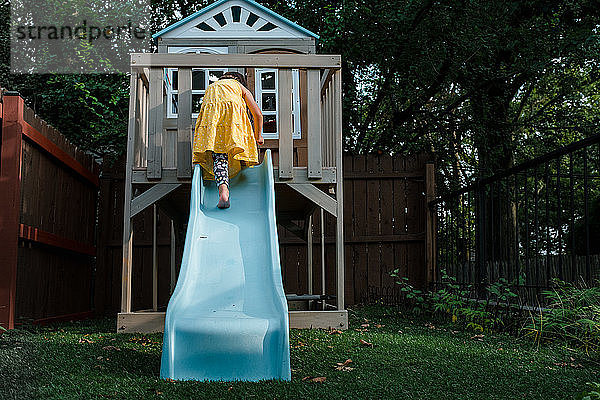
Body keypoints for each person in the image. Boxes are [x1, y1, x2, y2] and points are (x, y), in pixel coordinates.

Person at [192, 72, 264, 209]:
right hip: (233, 122)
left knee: (219, 157)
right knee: (237, 143)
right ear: (239, 80)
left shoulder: (211, 87)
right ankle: (242, 163)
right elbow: (257, 114)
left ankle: (223, 191)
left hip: (213, 125)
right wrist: (258, 136)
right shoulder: (239, 87)